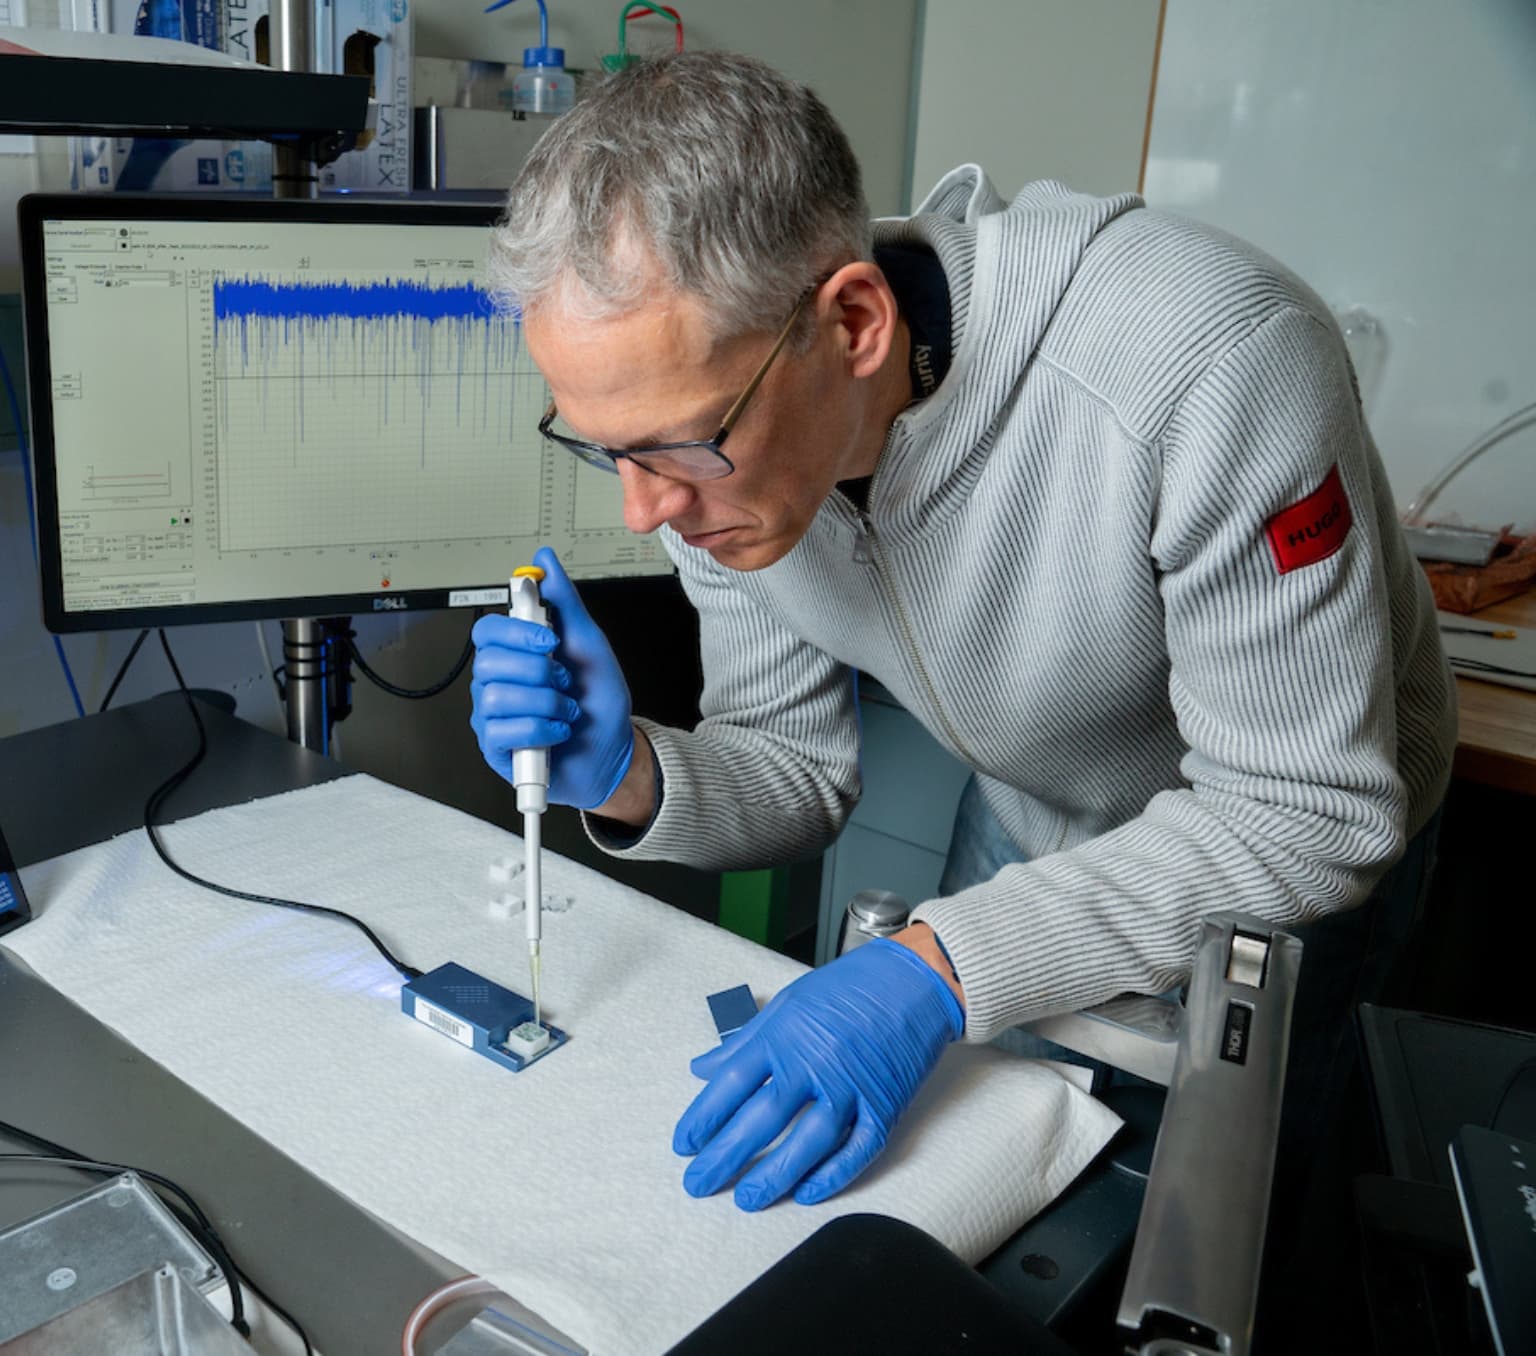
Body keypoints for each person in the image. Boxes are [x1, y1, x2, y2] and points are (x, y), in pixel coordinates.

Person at [469, 52, 1456, 1214]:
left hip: (1294, 855)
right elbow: (795, 771)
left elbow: (1307, 814)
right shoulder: (727, 448)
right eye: (602, 446)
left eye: (676, 445)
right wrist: (630, 769)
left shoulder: (1210, 360)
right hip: (1030, 813)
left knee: (1215, 1233)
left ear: (853, 323)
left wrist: (940, 967)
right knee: (993, 1189)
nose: (645, 511)